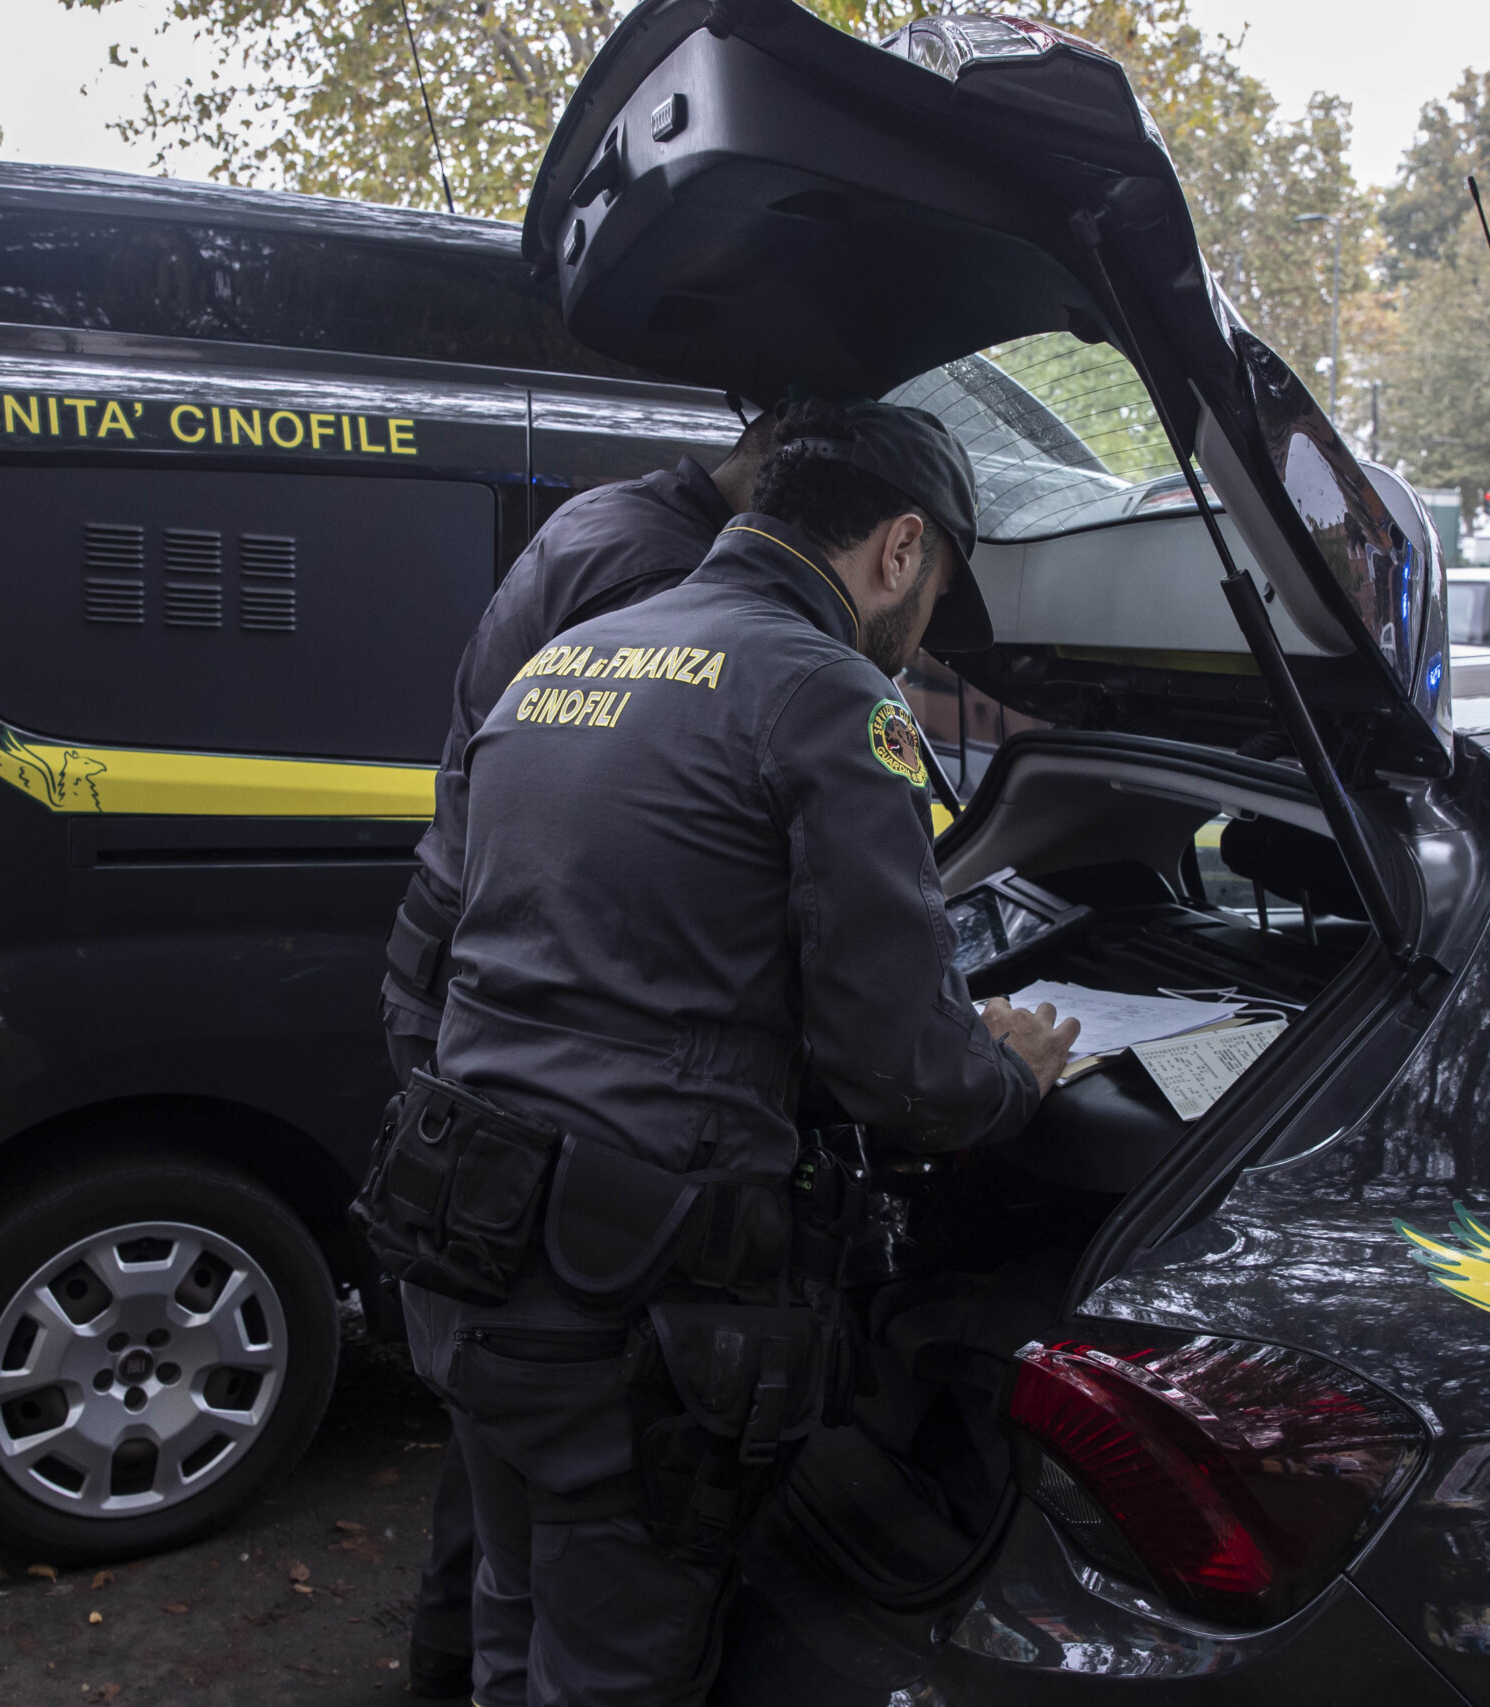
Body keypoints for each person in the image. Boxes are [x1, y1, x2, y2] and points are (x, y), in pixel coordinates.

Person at [382, 397, 1078, 1707]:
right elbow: (905, 1072)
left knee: (512, 1604)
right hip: (628, 1290)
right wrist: (1013, 1072)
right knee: (616, 1660)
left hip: (466, 1245)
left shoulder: (573, 658)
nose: (922, 626)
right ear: (899, 548)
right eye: (933, 589)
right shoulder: (826, 695)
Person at [382, 415, 776, 1699]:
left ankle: (460, 1670)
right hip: (523, 1002)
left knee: (500, 1419)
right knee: (560, 1415)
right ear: (783, 456)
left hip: (457, 966)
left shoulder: (603, 519)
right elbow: (670, 858)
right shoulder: (670, 574)